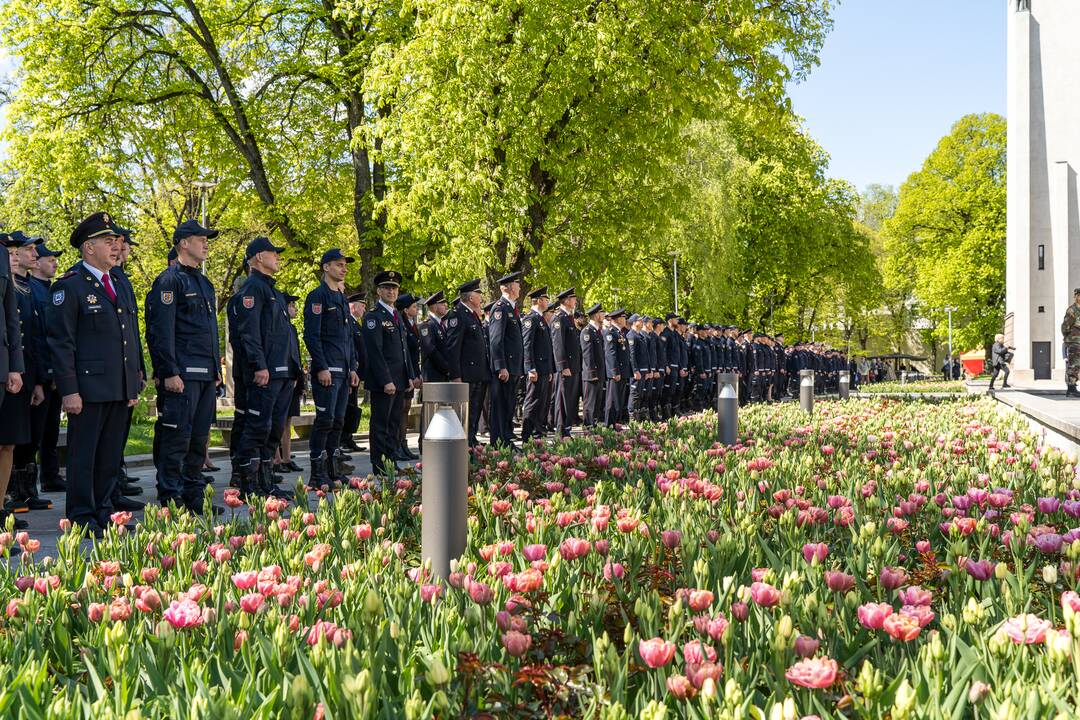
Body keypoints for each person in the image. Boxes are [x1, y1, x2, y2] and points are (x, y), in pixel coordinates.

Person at [46, 213, 141, 534]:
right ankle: (82, 516)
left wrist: (133, 383)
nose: (116, 248)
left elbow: (129, 338)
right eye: (108, 242)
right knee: (84, 456)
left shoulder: (119, 285)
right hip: (87, 389)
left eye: (117, 242)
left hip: (118, 385)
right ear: (89, 248)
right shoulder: (70, 287)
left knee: (110, 456)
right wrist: (69, 390)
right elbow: (61, 343)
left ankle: (104, 511)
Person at [145, 219, 222, 514]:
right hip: (183, 373)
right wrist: (169, 371)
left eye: (207, 239)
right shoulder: (169, 280)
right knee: (177, 437)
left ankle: (194, 495)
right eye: (200, 238)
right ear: (183, 243)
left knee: (199, 439)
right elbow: (160, 331)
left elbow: (210, 331)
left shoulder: (204, 282)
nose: (205, 243)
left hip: (205, 373)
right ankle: (171, 495)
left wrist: (216, 368)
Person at [233, 236, 292, 499]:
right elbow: (249, 333)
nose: (278, 256)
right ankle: (249, 485)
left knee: (274, 430)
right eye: (273, 252)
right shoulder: (252, 289)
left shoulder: (273, 290)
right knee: (257, 428)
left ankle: (266, 482)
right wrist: (259, 365)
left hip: (281, 372)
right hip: (264, 373)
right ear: (258, 257)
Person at [302, 249, 360, 485]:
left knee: (338, 421)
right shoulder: (318, 296)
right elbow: (312, 336)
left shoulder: (342, 299)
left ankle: (333, 469)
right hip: (328, 371)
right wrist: (322, 367)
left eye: (345, 265)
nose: (344, 269)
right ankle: (318, 473)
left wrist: (353, 368)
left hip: (343, 371)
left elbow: (348, 338)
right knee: (324, 420)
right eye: (339, 265)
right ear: (326, 267)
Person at [2, 233, 43, 521]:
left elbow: (14, 327)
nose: (15, 256)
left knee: (9, 442)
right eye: (13, 251)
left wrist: (18, 370)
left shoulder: (22, 288)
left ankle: (4, 506)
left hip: (9, 372)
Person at [362, 270, 419, 475]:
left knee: (394, 424)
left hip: (400, 379)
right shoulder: (373, 316)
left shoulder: (396, 315)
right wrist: (386, 380)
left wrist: (410, 376)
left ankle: (391, 461)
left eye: (394, 288)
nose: (391, 291)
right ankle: (379, 465)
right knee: (381, 424)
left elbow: (404, 350)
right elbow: (375, 352)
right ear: (379, 291)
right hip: (384, 382)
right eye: (386, 288)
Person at [109, 226, 146, 509]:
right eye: (115, 243)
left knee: (118, 433)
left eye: (123, 244)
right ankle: (111, 488)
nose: (122, 248)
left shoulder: (121, 279)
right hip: (108, 374)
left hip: (126, 369)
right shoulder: (109, 278)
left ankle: (115, 483)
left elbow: (132, 330)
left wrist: (139, 367)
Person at [27, 240, 65, 493]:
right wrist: (47, 373)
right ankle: (27, 484)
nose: (55, 263)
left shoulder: (54, 290)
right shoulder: (30, 290)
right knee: (35, 432)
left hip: (56, 371)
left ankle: (50, 476)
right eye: (50, 259)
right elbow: (38, 336)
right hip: (42, 371)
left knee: (51, 430)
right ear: (37, 263)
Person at [446, 279, 489, 448]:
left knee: (474, 411)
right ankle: (464, 444)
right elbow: (452, 348)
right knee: (464, 413)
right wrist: (455, 375)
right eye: (478, 293)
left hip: (477, 373)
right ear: (471, 297)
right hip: (466, 374)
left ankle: (470, 440)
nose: (481, 297)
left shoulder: (472, 314)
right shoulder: (458, 314)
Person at [487, 271, 524, 448]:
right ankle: (499, 441)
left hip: (513, 366)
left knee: (508, 405)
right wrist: (501, 366)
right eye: (516, 284)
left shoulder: (511, 308)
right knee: (501, 406)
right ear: (509, 288)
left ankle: (506, 438)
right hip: (505, 368)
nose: (519, 287)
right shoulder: (500, 308)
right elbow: (496, 340)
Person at [276, 292, 304, 475]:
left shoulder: (292, 328)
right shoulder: (279, 326)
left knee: (288, 421)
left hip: (293, 377)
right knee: (278, 421)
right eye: (292, 305)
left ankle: (287, 457)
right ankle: (276, 458)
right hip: (283, 377)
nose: (294, 308)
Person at [520, 286, 554, 442]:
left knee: (542, 402)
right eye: (546, 299)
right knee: (533, 401)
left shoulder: (540, 319)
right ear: (539, 301)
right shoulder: (531, 318)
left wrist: (549, 369)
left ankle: (538, 432)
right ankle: (528, 434)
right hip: (536, 369)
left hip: (544, 368)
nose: (547, 302)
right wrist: (530, 368)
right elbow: (527, 345)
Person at [550, 288, 580, 437]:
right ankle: (561, 431)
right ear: (567, 301)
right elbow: (558, 344)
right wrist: (563, 366)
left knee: (569, 399)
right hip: (566, 367)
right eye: (573, 298)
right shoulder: (559, 317)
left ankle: (566, 429)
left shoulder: (568, 317)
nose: (575, 301)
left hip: (573, 366)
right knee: (562, 399)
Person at [395, 292, 421, 460]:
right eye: (413, 307)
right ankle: (397, 444)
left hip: (410, 372)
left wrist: (416, 374)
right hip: (403, 373)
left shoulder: (412, 325)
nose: (417, 309)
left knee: (405, 409)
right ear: (405, 310)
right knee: (400, 410)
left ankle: (403, 443)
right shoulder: (402, 325)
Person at [340, 292, 367, 451]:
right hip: (350, 371)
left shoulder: (356, 323)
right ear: (352, 306)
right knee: (347, 407)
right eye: (361, 306)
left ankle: (348, 437)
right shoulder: (349, 322)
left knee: (352, 405)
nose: (364, 309)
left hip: (356, 372)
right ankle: (343, 439)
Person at [579, 302, 605, 428]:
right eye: (601, 313)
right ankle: (588, 426)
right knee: (590, 402)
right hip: (591, 374)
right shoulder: (587, 331)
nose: (603, 315)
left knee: (597, 402)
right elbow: (587, 354)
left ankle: (593, 425)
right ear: (595, 315)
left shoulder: (597, 331)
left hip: (599, 373)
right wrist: (592, 373)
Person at [603, 309, 629, 427]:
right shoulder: (610, 333)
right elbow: (610, 353)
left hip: (622, 371)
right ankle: (610, 425)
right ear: (618, 319)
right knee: (613, 400)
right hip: (616, 372)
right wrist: (614, 371)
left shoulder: (619, 333)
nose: (625, 320)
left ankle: (616, 424)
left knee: (619, 400)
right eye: (623, 318)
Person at [419, 291, 452, 382]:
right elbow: (431, 350)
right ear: (434, 307)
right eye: (442, 303)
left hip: (442, 375)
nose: (446, 305)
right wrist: (446, 368)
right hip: (433, 375)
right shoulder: (427, 325)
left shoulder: (440, 324)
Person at [1063, 288, 1080, 397]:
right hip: (1074, 341)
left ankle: (1072, 387)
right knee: (1074, 364)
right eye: (1078, 295)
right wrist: (1068, 338)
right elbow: (1065, 327)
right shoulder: (1072, 310)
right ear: (1076, 296)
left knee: (1077, 365)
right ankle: (1071, 388)